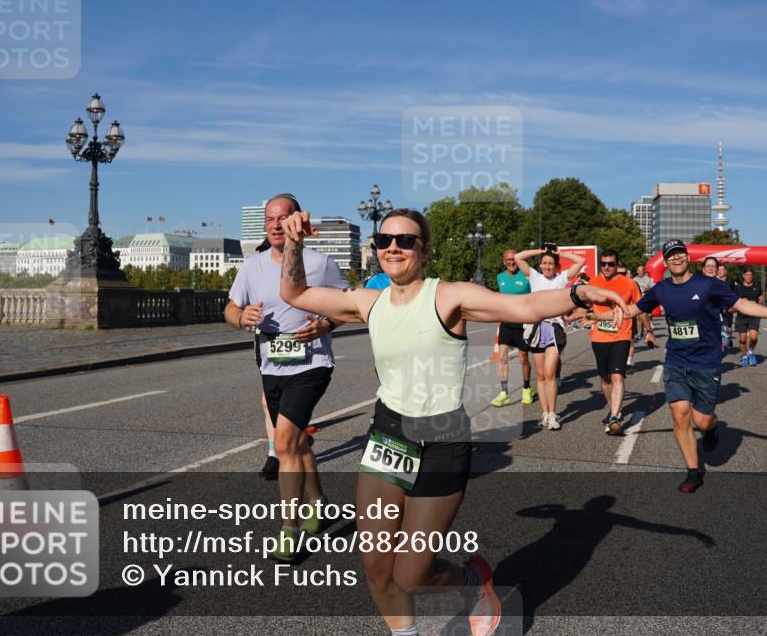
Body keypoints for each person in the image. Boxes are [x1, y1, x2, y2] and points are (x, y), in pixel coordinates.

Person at [279, 208, 625, 636]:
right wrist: (294, 242)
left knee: (409, 576)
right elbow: (295, 292)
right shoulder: (367, 300)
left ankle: (471, 583)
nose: (393, 247)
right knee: (375, 567)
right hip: (388, 435)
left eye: (405, 240)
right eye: (384, 239)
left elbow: (526, 305)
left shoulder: (449, 296)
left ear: (425, 250)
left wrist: (579, 294)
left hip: (441, 442)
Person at [625, 240, 767, 493]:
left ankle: (712, 429)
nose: (676, 259)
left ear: (688, 258)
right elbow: (634, 309)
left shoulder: (708, 285)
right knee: (679, 414)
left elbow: (741, 305)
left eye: (680, 254)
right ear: (664, 263)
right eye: (671, 256)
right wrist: (598, 315)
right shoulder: (660, 288)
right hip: (676, 361)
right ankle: (693, 472)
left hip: (706, 362)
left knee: (703, 420)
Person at [225, 193, 347, 559]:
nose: (276, 225)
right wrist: (241, 317)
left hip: (311, 366)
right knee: (295, 443)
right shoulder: (252, 266)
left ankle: (290, 529)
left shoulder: (320, 262)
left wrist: (325, 324)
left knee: (283, 444)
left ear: (297, 220)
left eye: (283, 218)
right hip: (271, 363)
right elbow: (230, 307)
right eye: (269, 220)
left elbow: (348, 305)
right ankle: (321, 502)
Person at [514, 244, 586, 430]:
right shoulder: (535, 277)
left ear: (556, 266)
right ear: (540, 265)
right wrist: (540, 251)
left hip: (554, 329)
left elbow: (581, 261)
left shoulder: (561, 279)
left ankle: (553, 414)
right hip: (536, 328)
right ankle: (544, 413)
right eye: (544, 263)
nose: (547, 266)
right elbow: (519, 257)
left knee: (550, 373)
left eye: (550, 263)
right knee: (539, 375)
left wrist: (559, 253)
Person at [588, 249, 650, 434]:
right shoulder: (593, 282)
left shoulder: (629, 284)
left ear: (617, 264)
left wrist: (649, 330)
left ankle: (614, 416)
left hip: (621, 336)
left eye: (611, 264)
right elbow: (584, 305)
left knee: (617, 376)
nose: (607, 267)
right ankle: (613, 409)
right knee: (605, 378)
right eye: (604, 264)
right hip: (599, 337)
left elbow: (641, 308)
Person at [491, 249, 535, 407]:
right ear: (504, 261)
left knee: (524, 358)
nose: (511, 262)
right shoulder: (500, 277)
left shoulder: (527, 276)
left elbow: (534, 298)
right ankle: (504, 393)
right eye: (508, 260)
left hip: (523, 324)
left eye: (514, 259)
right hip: (506, 323)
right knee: (502, 357)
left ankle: (526, 388)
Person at [733, 268, 763, 366]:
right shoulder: (738, 287)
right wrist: (742, 300)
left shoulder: (757, 286)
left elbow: (760, 297)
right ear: (743, 276)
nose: (749, 276)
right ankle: (744, 356)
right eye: (747, 274)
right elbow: (734, 299)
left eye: (750, 275)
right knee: (743, 338)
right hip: (742, 315)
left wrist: (759, 303)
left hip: (754, 315)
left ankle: (750, 352)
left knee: (753, 337)